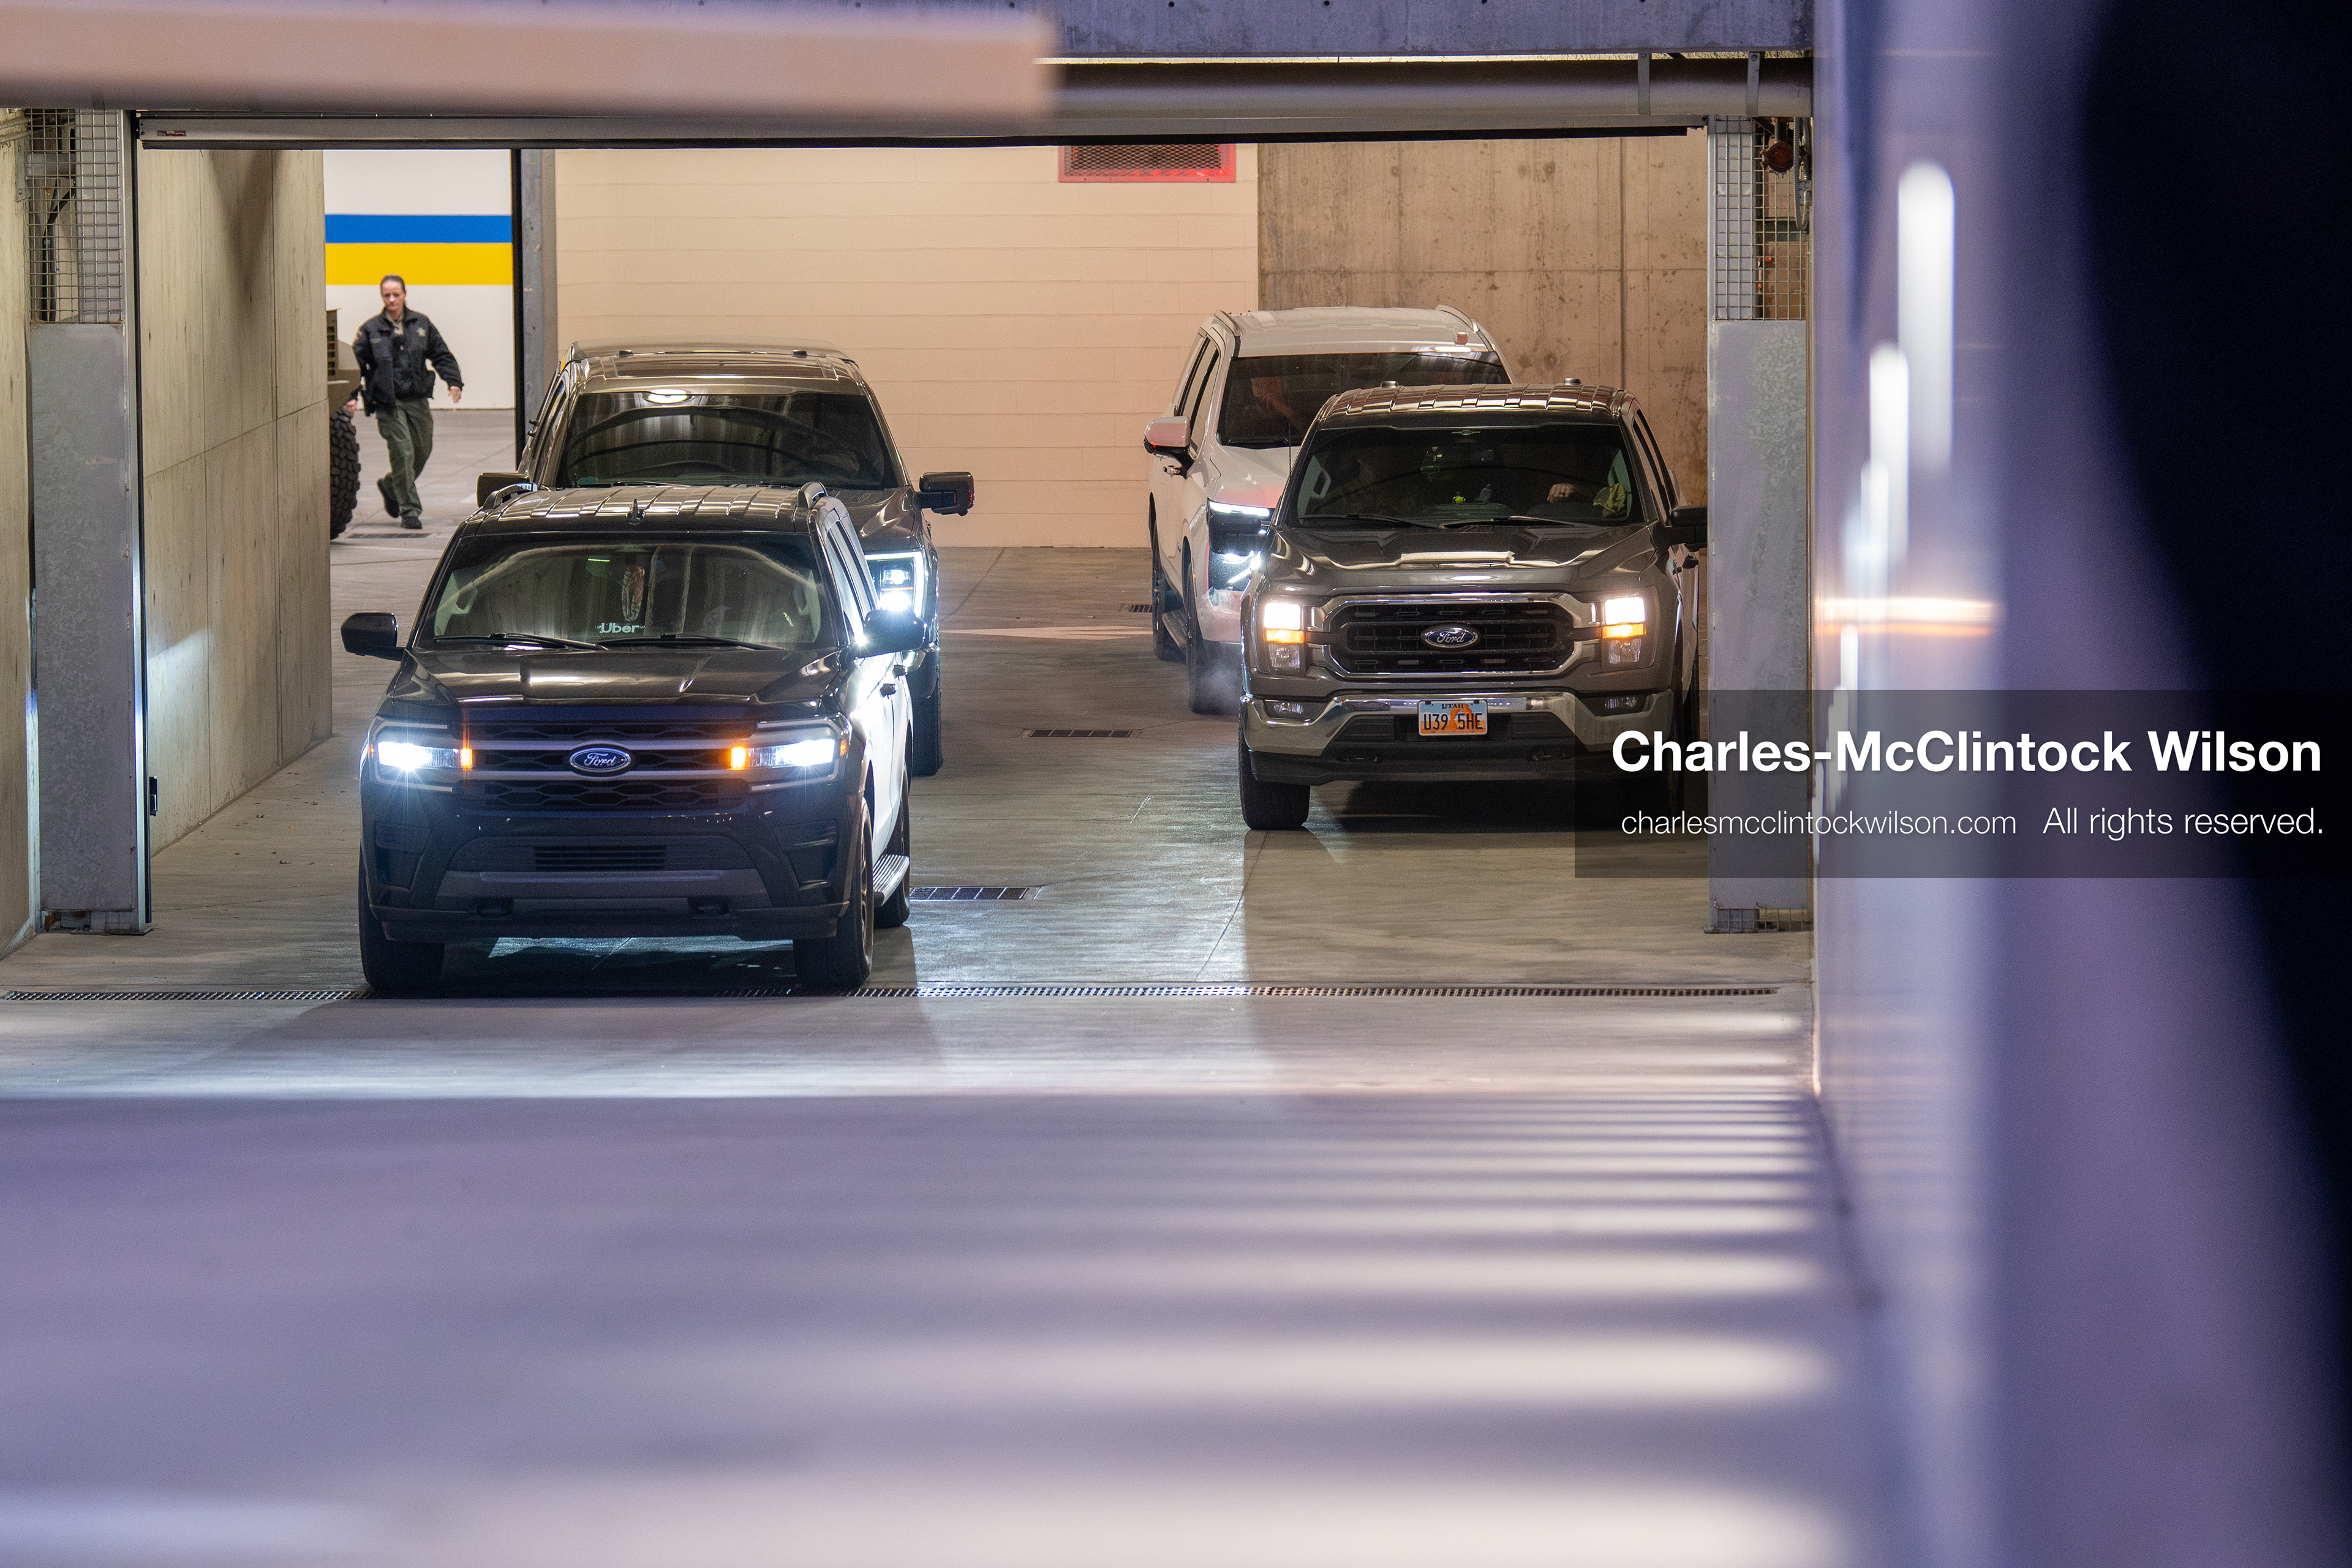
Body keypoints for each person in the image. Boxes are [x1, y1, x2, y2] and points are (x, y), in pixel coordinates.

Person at [347, 274, 462, 531]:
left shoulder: (421, 324)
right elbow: (356, 366)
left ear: (404, 294)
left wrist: (454, 381)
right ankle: (409, 510)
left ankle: (391, 486)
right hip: (388, 403)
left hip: (417, 399)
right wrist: (351, 396)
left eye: (396, 295)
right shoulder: (371, 330)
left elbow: (441, 354)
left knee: (422, 450)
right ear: (382, 296)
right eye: (386, 295)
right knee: (403, 453)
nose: (391, 300)